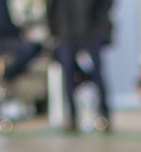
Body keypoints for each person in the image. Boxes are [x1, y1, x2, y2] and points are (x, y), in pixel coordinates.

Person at [47, 0, 114, 131]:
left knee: (97, 76)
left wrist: (101, 29)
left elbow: (105, 5)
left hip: (91, 32)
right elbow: (51, 7)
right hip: (66, 33)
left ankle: (103, 115)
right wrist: (54, 31)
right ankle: (72, 117)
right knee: (68, 77)